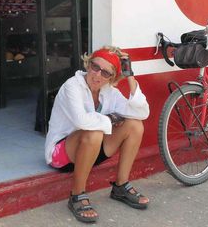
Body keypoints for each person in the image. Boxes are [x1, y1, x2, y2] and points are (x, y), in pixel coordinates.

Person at [44, 46, 150, 223]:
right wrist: (110, 118)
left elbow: (142, 113)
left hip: (92, 151)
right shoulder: (72, 86)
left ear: (113, 77)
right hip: (63, 154)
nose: (97, 75)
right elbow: (81, 121)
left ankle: (121, 187)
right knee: (93, 133)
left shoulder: (110, 92)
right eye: (95, 67)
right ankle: (77, 195)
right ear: (88, 64)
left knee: (135, 126)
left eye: (106, 73)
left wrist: (130, 76)